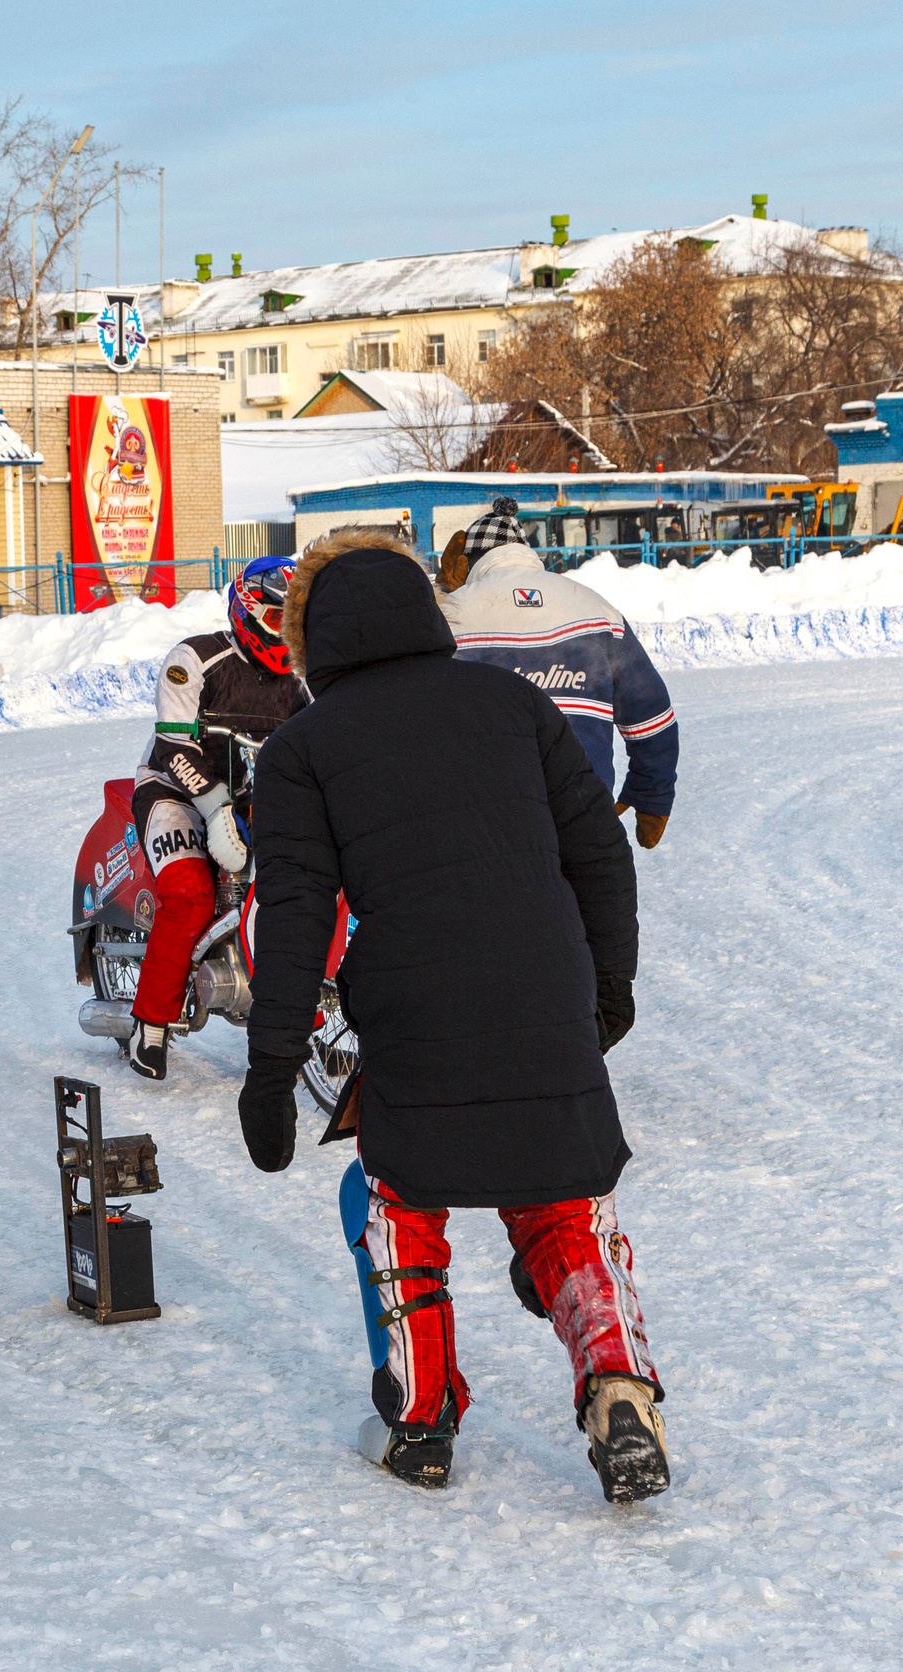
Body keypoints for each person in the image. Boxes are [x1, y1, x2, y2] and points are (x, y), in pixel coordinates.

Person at [238, 523, 671, 1504]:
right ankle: (617, 1382)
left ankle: (421, 1420)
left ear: (309, 638)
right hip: (546, 989)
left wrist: (270, 1072)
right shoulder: (512, 704)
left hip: (414, 1010)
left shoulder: (302, 750)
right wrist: (606, 993)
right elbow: (600, 857)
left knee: (398, 1200)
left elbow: (295, 920)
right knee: (562, 1203)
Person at [121, 557, 311, 1080]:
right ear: (248, 613)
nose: (286, 634)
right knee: (189, 895)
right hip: (172, 790)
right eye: (277, 620)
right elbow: (173, 745)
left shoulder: (299, 683)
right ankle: (150, 1024)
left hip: (254, 796)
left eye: (295, 622)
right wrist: (214, 807)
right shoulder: (195, 658)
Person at [437, 498, 679, 850]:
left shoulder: (449, 619)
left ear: (465, 563)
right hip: (586, 819)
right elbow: (651, 715)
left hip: (485, 827)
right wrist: (650, 795)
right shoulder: (598, 611)